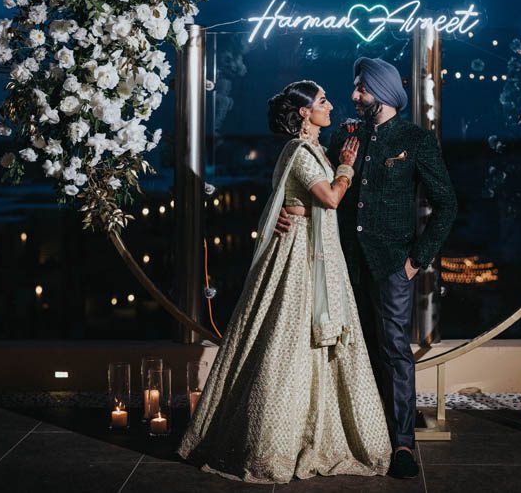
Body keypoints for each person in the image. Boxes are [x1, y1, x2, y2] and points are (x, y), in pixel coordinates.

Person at [177, 80, 392, 484]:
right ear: (305, 114)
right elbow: (329, 198)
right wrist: (345, 167)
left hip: (318, 254)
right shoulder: (299, 150)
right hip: (298, 259)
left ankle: (317, 430)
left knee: (308, 342)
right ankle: (272, 441)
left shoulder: (311, 150)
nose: (330, 105)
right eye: (322, 101)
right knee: (286, 338)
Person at [276, 58, 457, 479]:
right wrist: (285, 210)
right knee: (349, 349)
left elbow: (447, 205)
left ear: (383, 91)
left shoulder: (415, 139)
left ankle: (402, 444)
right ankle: (358, 435)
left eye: (361, 89)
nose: (353, 97)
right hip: (342, 262)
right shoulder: (345, 134)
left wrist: (416, 261)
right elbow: (304, 172)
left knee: (394, 350)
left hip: (394, 265)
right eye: (355, 89)